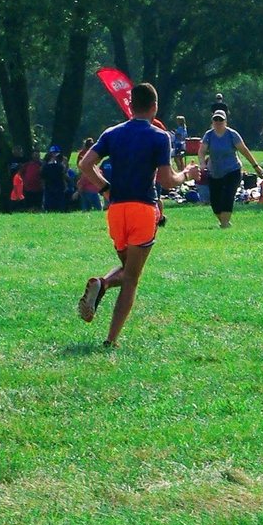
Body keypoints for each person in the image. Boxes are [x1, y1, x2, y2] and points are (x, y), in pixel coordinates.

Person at [76, 83, 200, 348]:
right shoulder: (159, 136)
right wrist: (187, 175)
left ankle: (103, 283)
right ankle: (111, 338)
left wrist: (105, 188)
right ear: (154, 107)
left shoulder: (112, 133)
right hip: (143, 208)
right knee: (132, 277)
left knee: (128, 266)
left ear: (131, 106)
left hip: (117, 210)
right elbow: (167, 181)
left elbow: (86, 164)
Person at [198, 110, 263, 228]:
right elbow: (201, 151)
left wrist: (256, 167)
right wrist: (202, 164)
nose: (218, 122)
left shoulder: (232, 134)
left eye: (221, 120)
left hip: (232, 170)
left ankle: (224, 224)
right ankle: (224, 222)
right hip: (214, 172)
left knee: (227, 196)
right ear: (212, 121)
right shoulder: (209, 135)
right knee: (215, 202)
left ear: (225, 121)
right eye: (216, 119)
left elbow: (244, 151)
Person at [42, 147, 68, 212]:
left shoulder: (59, 165)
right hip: (51, 186)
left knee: (57, 204)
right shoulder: (47, 165)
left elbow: (63, 174)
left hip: (57, 186)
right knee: (51, 203)